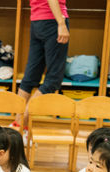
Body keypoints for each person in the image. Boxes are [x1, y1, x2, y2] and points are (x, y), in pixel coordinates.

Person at [14, 0, 69, 128]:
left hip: (37, 21)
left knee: (31, 76)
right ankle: (21, 123)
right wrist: (61, 23)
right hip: (53, 19)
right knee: (53, 79)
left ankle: (18, 126)